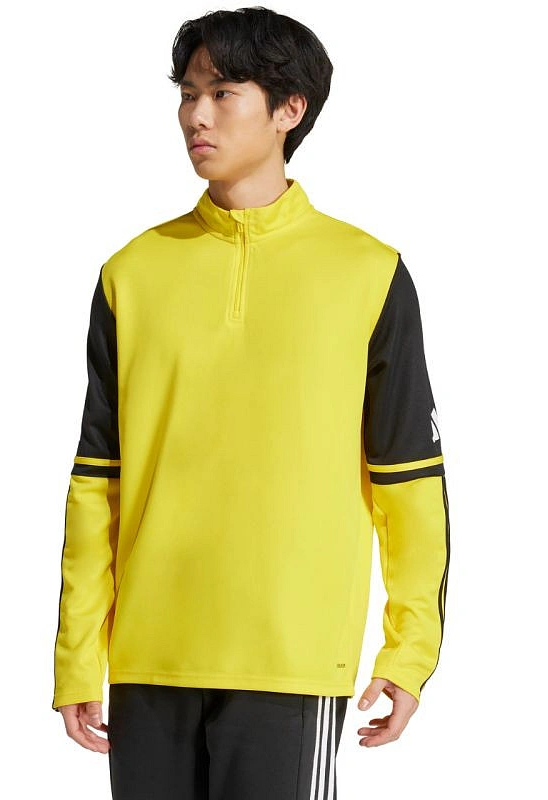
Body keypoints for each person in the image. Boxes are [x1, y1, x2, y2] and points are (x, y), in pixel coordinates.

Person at [52, 7, 450, 799]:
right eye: (187, 93)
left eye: (222, 92)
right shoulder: (132, 273)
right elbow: (98, 480)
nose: (195, 115)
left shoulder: (367, 273)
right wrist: (76, 655)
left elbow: (408, 481)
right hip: (149, 657)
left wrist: (409, 652)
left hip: (290, 660)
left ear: (288, 108)